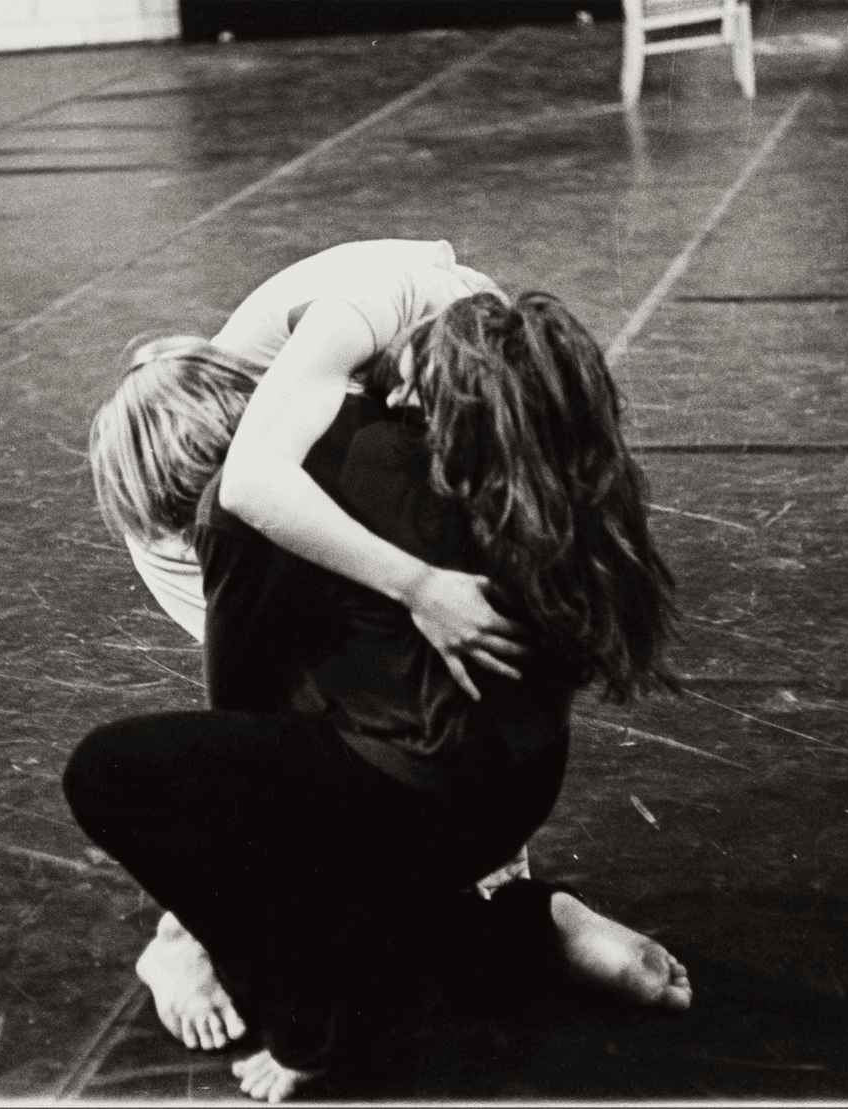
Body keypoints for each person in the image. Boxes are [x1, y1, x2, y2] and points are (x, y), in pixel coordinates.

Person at [67, 291, 691, 1102]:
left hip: (430, 803)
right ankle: (527, 931)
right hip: (522, 781)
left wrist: (204, 937)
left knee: (111, 773)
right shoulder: (393, 435)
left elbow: (238, 732)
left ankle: (317, 1026)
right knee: (334, 784)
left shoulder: (235, 512)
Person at [87, 241, 536, 1052]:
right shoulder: (193, 521)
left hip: (301, 414)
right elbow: (244, 721)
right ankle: (179, 939)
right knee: (285, 722)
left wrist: (497, 853)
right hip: (209, 466)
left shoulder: (372, 376)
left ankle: (492, 930)